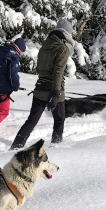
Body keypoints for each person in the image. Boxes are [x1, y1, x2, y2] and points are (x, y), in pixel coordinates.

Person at [10, 18, 75, 149]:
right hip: (55, 89)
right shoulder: (63, 49)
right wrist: (56, 93)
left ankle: (16, 146)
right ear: (67, 33)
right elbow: (58, 72)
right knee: (59, 119)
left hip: (40, 88)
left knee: (32, 121)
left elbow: (40, 69)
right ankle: (56, 146)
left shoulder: (44, 47)